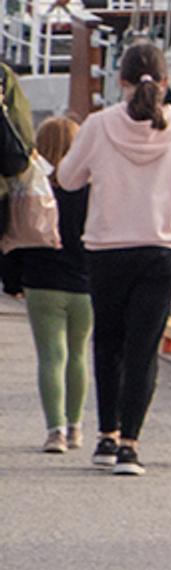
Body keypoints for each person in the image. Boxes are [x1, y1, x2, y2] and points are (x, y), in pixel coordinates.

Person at [55, 44, 171, 476]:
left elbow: (67, 178)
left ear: (120, 81)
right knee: (144, 349)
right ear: (165, 83)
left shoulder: (100, 125)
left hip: (108, 248)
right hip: (162, 249)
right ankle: (131, 448)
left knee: (108, 342)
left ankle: (106, 436)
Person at [5, 113, 95, 453]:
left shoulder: (32, 188)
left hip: (42, 283)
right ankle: (76, 428)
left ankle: (54, 432)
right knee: (78, 356)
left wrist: (12, 282)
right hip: (85, 284)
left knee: (50, 357)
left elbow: (13, 236)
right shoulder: (91, 191)